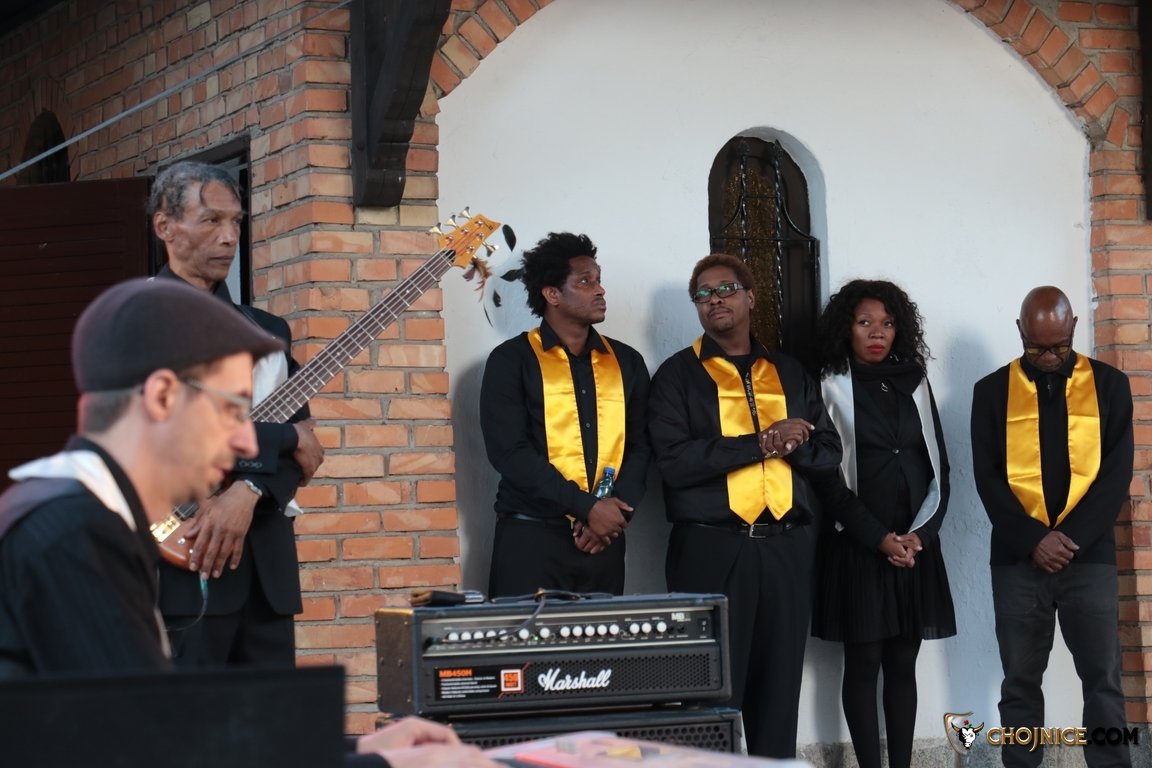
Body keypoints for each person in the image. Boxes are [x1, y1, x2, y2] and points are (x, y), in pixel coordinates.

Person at [0, 279, 495, 768]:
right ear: (163, 396)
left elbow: (168, 724)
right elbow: (146, 750)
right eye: (232, 410)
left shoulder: (77, 516)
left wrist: (359, 749)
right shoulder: (74, 534)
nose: (247, 443)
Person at [647, 253, 842, 758]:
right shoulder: (677, 376)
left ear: (751, 297)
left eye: (725, 289)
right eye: (703, 294)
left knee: (779, 688)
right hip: (711, 550)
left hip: (786, 549)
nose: (714, 300)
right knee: (709, 690)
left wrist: (791, 442)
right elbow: (675, 463)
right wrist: (760, 443)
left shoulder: (789, 372)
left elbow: (828, 453)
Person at [148, 160, 324, 666]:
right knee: (189, 715)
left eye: (236, 222)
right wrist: (284, 438)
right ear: (165, 226)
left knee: (275, 715)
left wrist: (247, 491)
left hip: (266, 570)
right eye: (211, 221)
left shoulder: (267, 330)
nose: (229, 237)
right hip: (181, 562)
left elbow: (306, 450)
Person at [971, 286, 1133, 768]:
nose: (1047, 357)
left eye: (1059, 347)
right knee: (1020, 682)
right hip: (1018, 562)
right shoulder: (991, 391)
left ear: (1074, 329)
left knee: (1103, 679)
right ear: (1020, 331)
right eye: (1035, 346)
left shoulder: (1109, 385)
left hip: (1090, 558)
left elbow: (1116, 474)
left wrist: (1071, 539)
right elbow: (988, 479)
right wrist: (1033, 541)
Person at [810, 279, 956, 768]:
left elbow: (939, 467)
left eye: (888, 323)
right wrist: (878, 538)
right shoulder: (829, 386)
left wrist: (921, 535)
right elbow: (826, 479)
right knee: (864, 662)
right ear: (846, 329)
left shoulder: (915, 381)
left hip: (913, 545)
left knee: (902, 663)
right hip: (859, 544)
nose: (877, 332)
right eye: (865, 322)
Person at [480, 232, 650, 597]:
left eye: (599, 280)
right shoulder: (512, 361)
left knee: (600, 636)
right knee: (523, 637)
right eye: (585, 282)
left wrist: (613, 515)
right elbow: (510, 453)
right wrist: (588, 508)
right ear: (552, 294)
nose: (600, 290)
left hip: (603, 542)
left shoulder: (627, 362)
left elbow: (641, 447)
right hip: (531, 539)